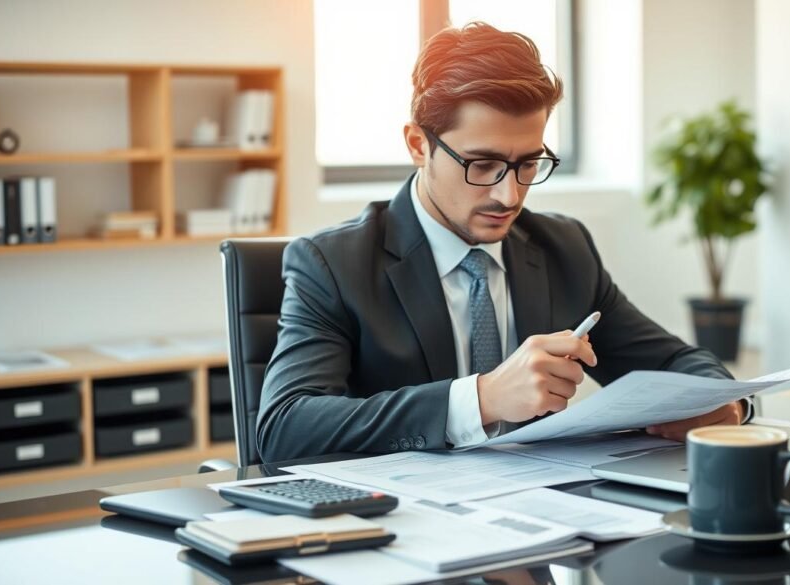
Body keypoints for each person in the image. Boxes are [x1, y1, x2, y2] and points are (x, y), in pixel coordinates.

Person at [257, 22, 749, 462]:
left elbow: (674, 363)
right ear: (417, 145)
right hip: (403, 537)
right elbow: (285, 426)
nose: (508, 194)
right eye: (482, 164)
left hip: (545, 528)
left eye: (528, 164)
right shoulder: (333, 264)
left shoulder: (564, 247)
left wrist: (725, 405)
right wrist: (482, 398)